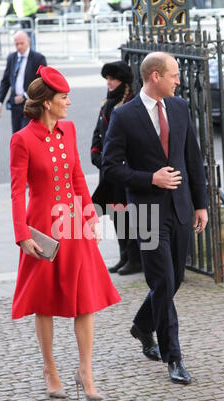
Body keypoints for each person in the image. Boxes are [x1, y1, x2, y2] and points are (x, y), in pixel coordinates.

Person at [10, 65, 121, 401]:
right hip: (43, 229)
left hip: (74, 225)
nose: (69, 102)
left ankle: (85, 372)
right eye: (63, 97)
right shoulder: (21, 140)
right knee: (44, 303)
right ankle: (50, 368)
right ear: (47, 103)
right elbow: (17, 192)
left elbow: (76, 177)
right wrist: (21, 234)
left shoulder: (69, 130)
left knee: (84, 300)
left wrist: (90, 217)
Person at [102, 52, 208, 385]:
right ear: (155, 77)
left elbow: (193, 157)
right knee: (162, 281)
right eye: (174, 75)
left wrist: (201, 204)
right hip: (146, 212)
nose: (179, 81)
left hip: (179, 207)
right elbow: (111, 168)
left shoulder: (178, 108)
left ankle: (142, 326)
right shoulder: (124, 116)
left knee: (173, 280)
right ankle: (174, 357)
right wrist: (151, 179)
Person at [91, 61, 142, 275]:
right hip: (108, 168)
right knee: (114, 212)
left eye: (113, 79)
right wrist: (95, 152)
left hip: (122, 168)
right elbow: (99, 130)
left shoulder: (130, 102)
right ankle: (124, 256)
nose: (109, 82)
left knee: (126, 212)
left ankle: (135, 258)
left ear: (122, 80)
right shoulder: (108, 102)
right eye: (107, 79)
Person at [0, 30, 46, 133]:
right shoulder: (12, 58)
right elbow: (5, 81)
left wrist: (25, 96)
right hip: (15, 104)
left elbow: (42, 83)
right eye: (16, 44)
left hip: (30, 104)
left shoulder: (38, 59)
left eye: (21, 43)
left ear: (28, 42)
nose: (19, 47)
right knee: (16, 135)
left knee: (26, 134)